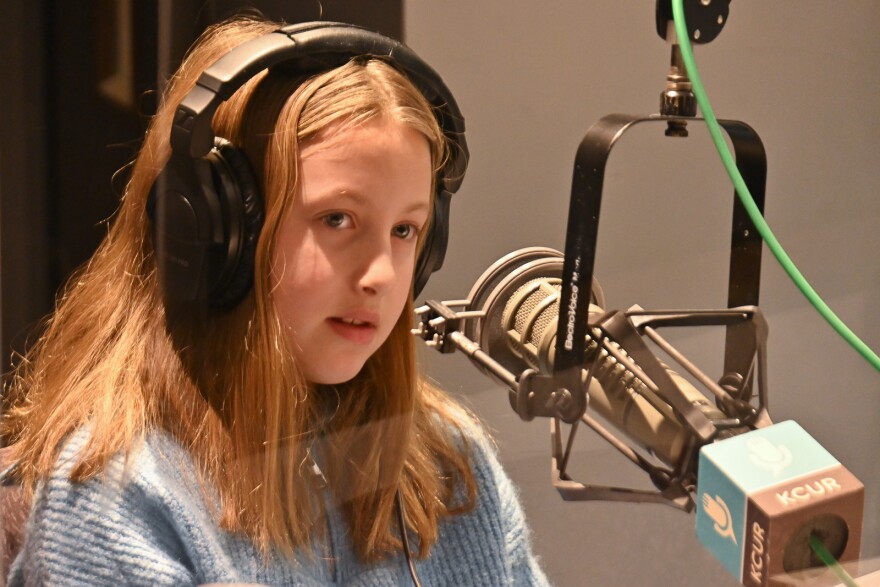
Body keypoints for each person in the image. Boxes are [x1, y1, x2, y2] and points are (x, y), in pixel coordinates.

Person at [1, 14, 551, 587]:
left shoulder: (451, 467)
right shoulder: (116, 496)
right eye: (337, 219)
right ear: (214, 237)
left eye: (405, 230)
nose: (382, 275)